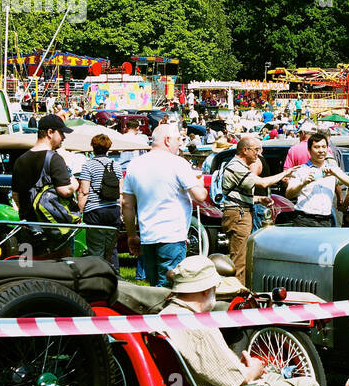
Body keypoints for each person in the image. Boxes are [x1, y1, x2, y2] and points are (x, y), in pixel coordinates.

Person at [160, 256, 321, 386]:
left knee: (273, 377)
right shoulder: (195, 326)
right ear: (203, 290)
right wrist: (252, 369)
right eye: (213, 288)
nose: (215, 293)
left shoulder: (165, 315)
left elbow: (214, 370)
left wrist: (244, 368)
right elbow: (234, 380)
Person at [121, 123, 209, 287]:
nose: (180, 143)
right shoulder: (178, 163)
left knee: (155, 286)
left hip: (148, 236)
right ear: (168, 140)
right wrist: (201, 184)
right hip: (172, 236)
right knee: (169, 288)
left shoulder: (134, 164)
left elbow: (127, 204)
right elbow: (200, 197)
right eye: (178, 139)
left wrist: (131, 234)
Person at [219, 135, 294, 275]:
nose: (258, 153)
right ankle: (238, 293)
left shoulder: (240, 166)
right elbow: (263, 183)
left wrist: (259, 199)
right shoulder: (236, 166)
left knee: (243, 257)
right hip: (238, 215)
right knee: (240, 260)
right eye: (256, 150)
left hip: (240, 212)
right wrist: (286, 173)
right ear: (245, 150)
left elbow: (238, 196)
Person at [285, 131, 349, 227]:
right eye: (317, 147)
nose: (321, 150)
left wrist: (335, 173)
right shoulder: (301, 170)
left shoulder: (332, 169)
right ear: (309, 150)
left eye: (324, 147)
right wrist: (303, 183)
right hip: (305, 220)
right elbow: (288, 194)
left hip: (326, 220)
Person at [12, 114, 78, 216]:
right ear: (50, 132)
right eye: (61, 133)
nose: (63, 137)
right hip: (52, 226)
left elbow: (15, 195)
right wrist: (75, 184)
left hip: (28, 224)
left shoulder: (20, 160)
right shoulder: (54, 158)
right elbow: (65, 190)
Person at [76, 133, 122, 266]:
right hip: (113, 210)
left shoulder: (88, 165)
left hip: (95, 211)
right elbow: (121, 191)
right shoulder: (116, 165)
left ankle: (97, 278)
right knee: (112, 249)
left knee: (96, 249)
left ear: (93, 147)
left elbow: (84, 191)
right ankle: (115, 278)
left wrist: (79, 212)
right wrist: (121, 212)